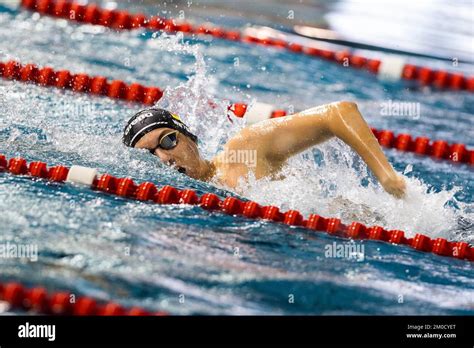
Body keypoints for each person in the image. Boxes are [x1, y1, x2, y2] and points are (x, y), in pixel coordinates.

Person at [122, 101, 406, 198]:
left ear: (190, 137)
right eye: (150, 154)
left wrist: (385, 175)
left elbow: (338, 112)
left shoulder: (244, 150)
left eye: (168, 141)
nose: (164, 158)